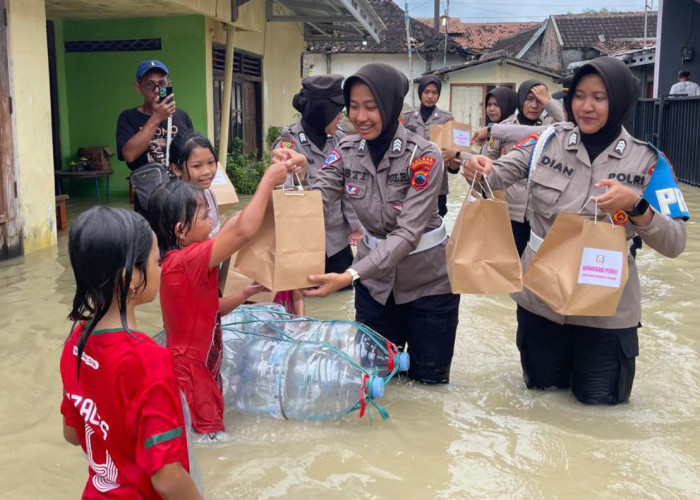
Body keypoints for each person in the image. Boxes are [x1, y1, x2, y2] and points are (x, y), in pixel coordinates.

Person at [463, 56, 688, 405]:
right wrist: (474, 166)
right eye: (579, 96)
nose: (586, 106)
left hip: (607, 312)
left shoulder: (650, 162)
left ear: (619, 101)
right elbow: (493, 174)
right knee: (541, 409)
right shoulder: (544, 142)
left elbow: (675, 243)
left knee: (599, 417)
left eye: (599, 97)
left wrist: (636, 206)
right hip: (541, 303)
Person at [303, 63, 460, 384]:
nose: (360, 117)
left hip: (429, 289)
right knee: (375, 382)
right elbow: (313, 203)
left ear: (390, 105)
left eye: (371, 107)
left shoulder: (425, 155)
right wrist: (285, 180)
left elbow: (407, 233)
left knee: (428, 386)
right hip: (375, 292)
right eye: (354, 107)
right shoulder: (345, 151)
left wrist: (349, 275)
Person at [147, 157, 301, 439]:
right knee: (210, 439)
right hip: (191, 372)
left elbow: (209, 309)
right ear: (181, 230)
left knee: (205, 432)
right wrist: (266, 179)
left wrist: (244, 294)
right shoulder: (185, 261)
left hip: (202, 365)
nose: (212, 220)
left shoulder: (184, 258)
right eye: (205, 217)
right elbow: (243, 232)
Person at [60, 206, 203, 499]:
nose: (160, 268)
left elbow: (72, 435)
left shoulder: (75, 342)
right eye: (155, 261)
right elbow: (166, 477)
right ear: (132, 276)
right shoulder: (149, 360)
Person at [273, 75, 362, 277]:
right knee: (305, 298)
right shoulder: (289, 144)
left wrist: (356, 226)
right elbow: (284, 198)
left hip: (337, 243)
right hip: (302, 243)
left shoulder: (339, 139)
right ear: (322, 111)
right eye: (336, 112)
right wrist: (302, 176)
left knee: (340, 299)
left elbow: (348, 188)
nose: (340, 116)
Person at [486, 80, 565, 256]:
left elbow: (567, 124)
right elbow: (489, 162)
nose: (534, 105)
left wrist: (549, 101)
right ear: (520, 100)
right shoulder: (504, 128)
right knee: (510, 261)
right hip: (510, 210)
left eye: (539, 101)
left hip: (540, 211)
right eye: (529, 99)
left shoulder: (551, 128)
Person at [117, 60, 193, 212]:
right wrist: (156, 118)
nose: (157, 90)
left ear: (169, 84)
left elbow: (192, 154)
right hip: (149, 200)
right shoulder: (128, 117)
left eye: (162, 83)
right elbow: (129, 154)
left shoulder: (181, 116)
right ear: (138, 88)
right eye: (149, 85)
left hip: (182, 197)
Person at [402, 75, 460, 216]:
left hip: (437, 180)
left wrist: (454, 163)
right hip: (410, 178)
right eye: (426, 92)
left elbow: (453, 150)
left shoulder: (446, 119)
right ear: (420, 92)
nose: (430, 96)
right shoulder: (407, 117)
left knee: (437, 217)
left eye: (434, 93)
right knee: (409, 216)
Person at [168, 131, 220, 236]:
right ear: (177, 169)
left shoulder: (209, 194)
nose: (207, 171)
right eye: (197, 166)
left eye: (211, 162)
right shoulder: (176, 204)